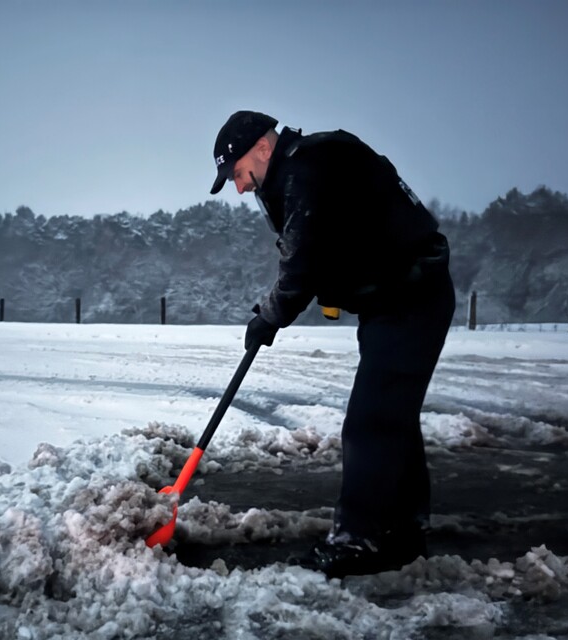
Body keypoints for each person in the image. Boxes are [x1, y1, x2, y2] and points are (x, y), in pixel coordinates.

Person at [209, 110, 456, 578]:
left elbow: (303, 261)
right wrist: (274, 311)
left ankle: (359, 539)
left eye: (238, 174)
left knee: (372, 421)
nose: (239, 188)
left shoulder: (309, 167)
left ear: (263, 147)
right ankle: (403, 529)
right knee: (391, 415)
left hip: (411, 295)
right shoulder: (299, 170)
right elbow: (309, 254)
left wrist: (270, 316)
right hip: (395, 299)